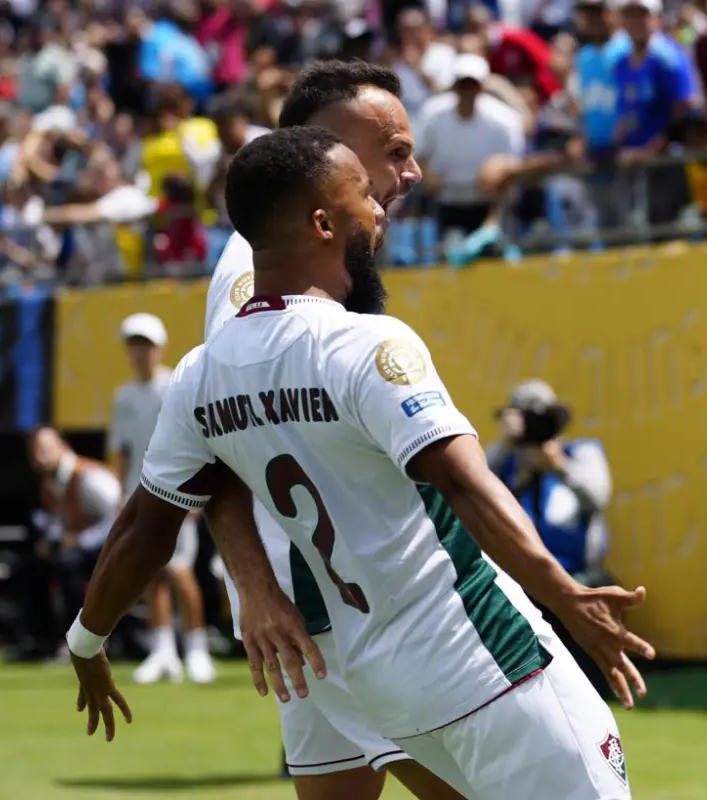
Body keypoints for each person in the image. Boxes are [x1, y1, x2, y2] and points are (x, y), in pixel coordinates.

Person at [66, 125, 652, 800]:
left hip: (382, 687)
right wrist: (566, 591)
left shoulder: (201, 373)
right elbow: (463, 482)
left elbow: (145, 527)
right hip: (482, 656)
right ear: (322, 222)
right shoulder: (365, 344)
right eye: (362, 197)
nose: (379, 210)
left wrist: (87, 640)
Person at [204, 61, 463, 800]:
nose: (412, 172)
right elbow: (210, 441)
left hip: (324, 603)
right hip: (340, 609)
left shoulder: (313, 263)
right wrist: (256, 586)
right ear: (328, 148)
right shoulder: (261, 275)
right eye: (395, 150)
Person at [487, 379, 614, 696]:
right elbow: (469, 484)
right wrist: (507, 444)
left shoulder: (580, 452)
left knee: (588, 680)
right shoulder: (505, 461)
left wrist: (558, 465)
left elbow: (598, 497)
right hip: (521, 583)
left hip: (579, 579)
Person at [110, 313, 216, 686]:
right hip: (139, 496)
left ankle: (198, 650)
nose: (141, 353)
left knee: (180, 572)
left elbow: (195, 441)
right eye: (135, 345)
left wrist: (195, 497)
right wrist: (121, 494)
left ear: (160, 349)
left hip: (178, 492)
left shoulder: (176, 383)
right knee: (152, 575)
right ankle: (163, 651)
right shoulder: (123, 396)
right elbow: (121, 452)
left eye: (147, 345)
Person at [27, 426, 122, 653]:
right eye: (35, 450)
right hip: (81, 547)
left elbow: (119, 517)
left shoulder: (89, 477)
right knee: (31, 567)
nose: (39, 456)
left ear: (62, 447)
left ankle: (84, 641)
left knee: (69, 564)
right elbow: (62, 522)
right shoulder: (50, 484)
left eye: (45, 449)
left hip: (113, 545)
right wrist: (53, 541)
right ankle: (40, 640)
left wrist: (80, 540)